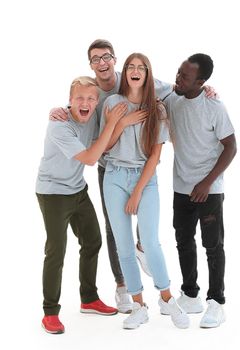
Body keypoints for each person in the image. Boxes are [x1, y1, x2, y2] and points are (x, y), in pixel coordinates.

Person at [49, 39, 173, 312]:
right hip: (110, 164)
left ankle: (144, 250)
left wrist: (204, 89)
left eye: (106, 57)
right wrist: (57, 110)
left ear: (115, 60)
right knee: (114, 228)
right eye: (95, 59)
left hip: (141, 166)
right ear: (91, 65)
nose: (102, 63)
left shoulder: (131, 77)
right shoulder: (94, 91)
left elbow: (171, 89)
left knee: (146, 223)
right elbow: (77, 104)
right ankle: (122, 285)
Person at [100, 52, 190, 330]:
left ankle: (166, 298)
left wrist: (138, 191)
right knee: (124, 245)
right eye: (131, 67)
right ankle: (139, 305)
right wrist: (122, 122)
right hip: (114, 176)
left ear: (148, 74)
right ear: (125, 72)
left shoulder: (158, 109)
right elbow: (106, 146)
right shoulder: (113, 103)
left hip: (145, 178)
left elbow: (154, 156)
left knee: (150, 242)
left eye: (141, 68)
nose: (135, 71)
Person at [36, 76, 127, 334]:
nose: (85, 103)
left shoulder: (95, 114)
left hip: (77, 189)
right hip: (52, 192)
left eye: (90, 99)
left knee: (93, 241)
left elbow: (105, 141)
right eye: (79, 99)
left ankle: (88, 299)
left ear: (96, 102)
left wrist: (116, 121)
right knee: (56, 251)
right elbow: (90, 158)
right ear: (69, 101)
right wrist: (111, 124)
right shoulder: (60, 126)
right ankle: (50, 312)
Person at [164, 53, 237, 328]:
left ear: (202, 81)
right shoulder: (173, 99)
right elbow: (149, 86)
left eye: (185, 76)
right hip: (181, 187)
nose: (178, 79)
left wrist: (207, 183)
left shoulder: (214, 106)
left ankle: (216, 302)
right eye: (179, 72)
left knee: (213, 246)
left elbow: (231, 147)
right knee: (183, 241)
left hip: (209, 189)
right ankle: (190, 294)